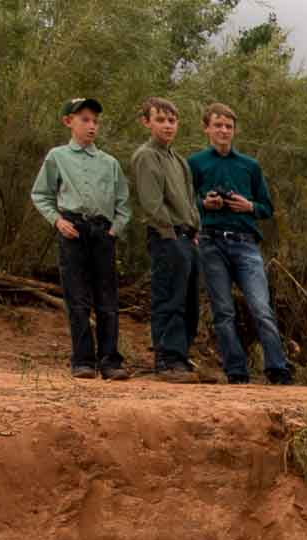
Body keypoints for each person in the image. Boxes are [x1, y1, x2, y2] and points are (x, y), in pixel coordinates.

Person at [188, 101, 293, 385]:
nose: (224, 130)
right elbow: (185, 202)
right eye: (218, 125)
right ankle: (236, 372)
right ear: (206, 128)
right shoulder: (195, 163)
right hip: (210, 242)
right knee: (223, 311)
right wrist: (204, 204)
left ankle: (277, 368)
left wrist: (248, 206)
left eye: (229, 126)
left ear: (234, 130)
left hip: (246, 243)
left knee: (261, 306)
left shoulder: (250, 165)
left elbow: (267, 208)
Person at [30, 96, 131, 380]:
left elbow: (124, 202)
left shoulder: (109, 162)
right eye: (85, 120)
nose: (91, 126)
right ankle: (83, 360)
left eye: (95, 121)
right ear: (68, 122)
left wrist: (114, 230)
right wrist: (58, 221)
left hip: (102, 232)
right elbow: (41, 194)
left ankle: (110, 361)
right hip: (72, 229)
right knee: (77, 297)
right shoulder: (57, 157)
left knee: (107, 298)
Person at [129, 96, 200, 382]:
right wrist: (172, 235)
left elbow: (190, 200)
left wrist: (194, 231)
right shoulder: (147, 155)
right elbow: (152, 204)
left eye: (172, 120)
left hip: (187, 238)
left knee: (189, 301)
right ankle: (167, 361)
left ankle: (181, 357)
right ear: (147, 122)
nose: (168, 125)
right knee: (169, 299)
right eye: (160, 119)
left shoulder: (179, 160)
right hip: (165, 236)